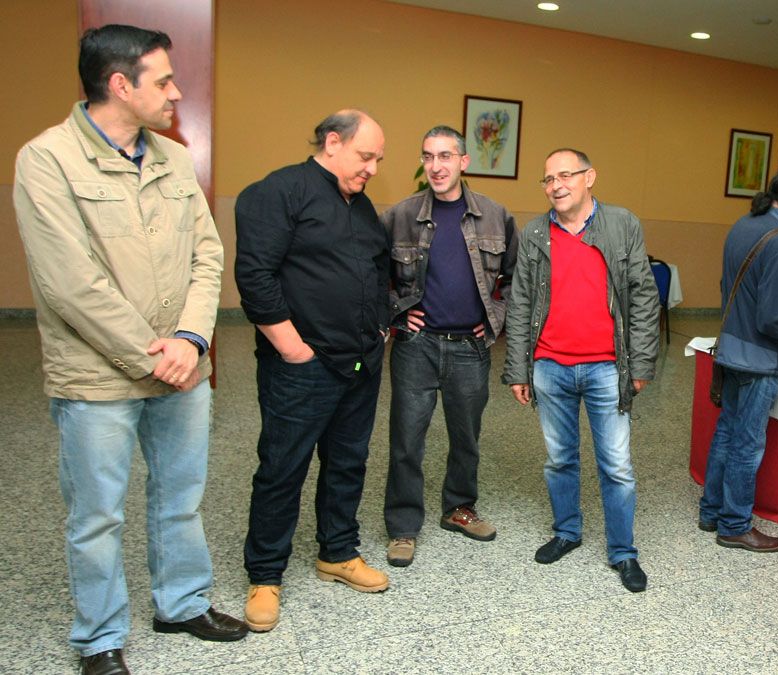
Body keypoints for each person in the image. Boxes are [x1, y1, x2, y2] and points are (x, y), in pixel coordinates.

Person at [13, 24, 245, 674]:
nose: (176, 92)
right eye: (164, 80)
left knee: (180, 496)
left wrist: (193, 338)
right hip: (96, 378)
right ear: (121, 84)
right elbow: (70, 284)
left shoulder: (173, 157)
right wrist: (155, 353)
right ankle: (100, 637)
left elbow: (208, 253)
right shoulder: (46, 159)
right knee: (96, 516)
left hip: (183, 370)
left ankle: (182, 602)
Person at [235, 110, 391, 633]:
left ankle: (337, 552)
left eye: (377, 160)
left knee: (348, 462)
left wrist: (382, 329)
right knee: (283, 468)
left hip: (360, 363)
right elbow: (255, 274)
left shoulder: (362, 207)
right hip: (303, 366)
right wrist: (291, 347)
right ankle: (264, 575)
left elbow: (377, 271)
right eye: (365, 156)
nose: (372, 168)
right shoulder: (280, 191)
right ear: (332, 142)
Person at [502, 148, 659, 593]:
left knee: (617, 465)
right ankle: (567, 532)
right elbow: (520, 305)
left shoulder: (621, 224)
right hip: (550, 367)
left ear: (590, 177)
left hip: (609, 367)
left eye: (565, 175)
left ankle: (623, 552)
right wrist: (518, 369)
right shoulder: (535, 233)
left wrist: (641, 363)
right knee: (559, 459)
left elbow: (643, 296)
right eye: (548, 178)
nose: (556, 185)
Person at [379, 126, 517, 567]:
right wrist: (397, 312)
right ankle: (403, 526)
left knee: (466, 437)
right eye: (427, 156)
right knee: (406, 439)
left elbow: (517, 280)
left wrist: (493, 318)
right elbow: (368, 277)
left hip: (469, 350)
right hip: (416, 346)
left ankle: (459, 508)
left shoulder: (496, 216)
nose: (435, 166)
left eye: (445, 156)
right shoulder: (399, 216)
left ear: (463, 161)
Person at [698, 167, 778, 553]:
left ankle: (712, 510)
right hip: (759, 358)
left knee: (726, 430)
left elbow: (731, 289)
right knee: (747, 444)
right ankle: (735, 525)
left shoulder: (743, 225)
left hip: (733, 349)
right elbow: (775, 317)